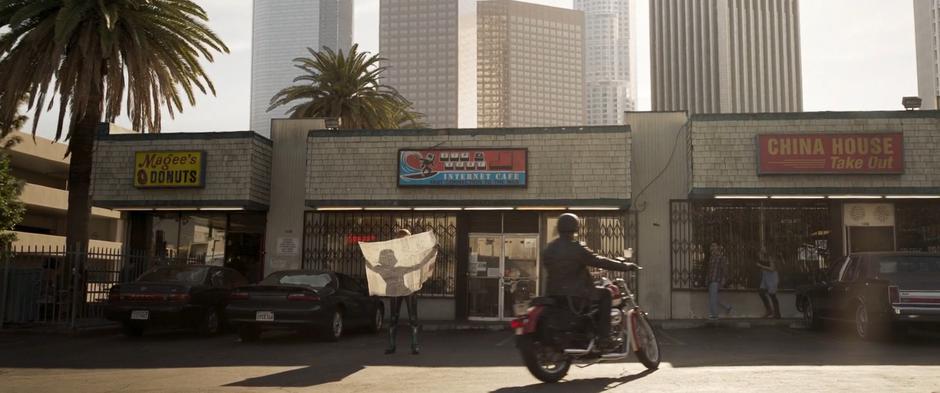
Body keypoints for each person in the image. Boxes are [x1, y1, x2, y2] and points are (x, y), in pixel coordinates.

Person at [542, 213, 638, 348]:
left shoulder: (549, 249)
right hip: (576, 295)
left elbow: (562, 270)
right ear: (576, 228)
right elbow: (598, 260)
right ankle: (605, 337)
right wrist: (625, 266)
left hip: (554, 294)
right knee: (605, 294)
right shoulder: (575, 247)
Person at [707, 241, 733, 320]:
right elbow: (709, 270)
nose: (712, 247)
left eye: (714, 246)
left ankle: (714, 315)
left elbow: (724, 269)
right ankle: (727, 307)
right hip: (711, 280)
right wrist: (707, 280)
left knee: (713, 298)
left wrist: (723, 280)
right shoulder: (711, 258)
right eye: (711, 246)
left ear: (718, 247)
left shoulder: (722, 258)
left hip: (717, 280)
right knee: (714, 297)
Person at [756, 248, 781, 319]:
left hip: (772, 278)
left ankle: (777, 313)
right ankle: (769, 310)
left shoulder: (770, 258)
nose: (759, 255)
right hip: (766, 278)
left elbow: (772, 269)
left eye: (760, 253)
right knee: (761, 292)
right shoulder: (762, 260)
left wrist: (761, 266)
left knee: (772, 295)